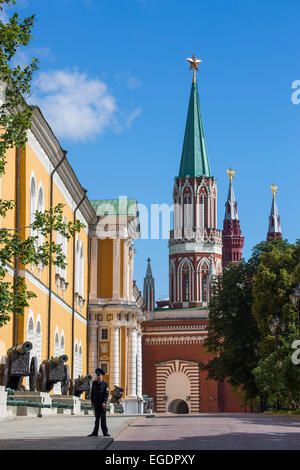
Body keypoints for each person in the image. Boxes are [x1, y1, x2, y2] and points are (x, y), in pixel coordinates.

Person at [88, 368, 110, 437]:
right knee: (96, 419)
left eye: (99, 375)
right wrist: (92, 402)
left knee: (103, 419)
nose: (98, 376)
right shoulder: (94, 383)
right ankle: (95, 432)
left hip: (102, 404)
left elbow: (106, 394)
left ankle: (105, 432)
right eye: (97, 375)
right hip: (96, 403)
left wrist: (104, 402)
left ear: (102, 376)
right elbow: (92, 393)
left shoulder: (105, 384)